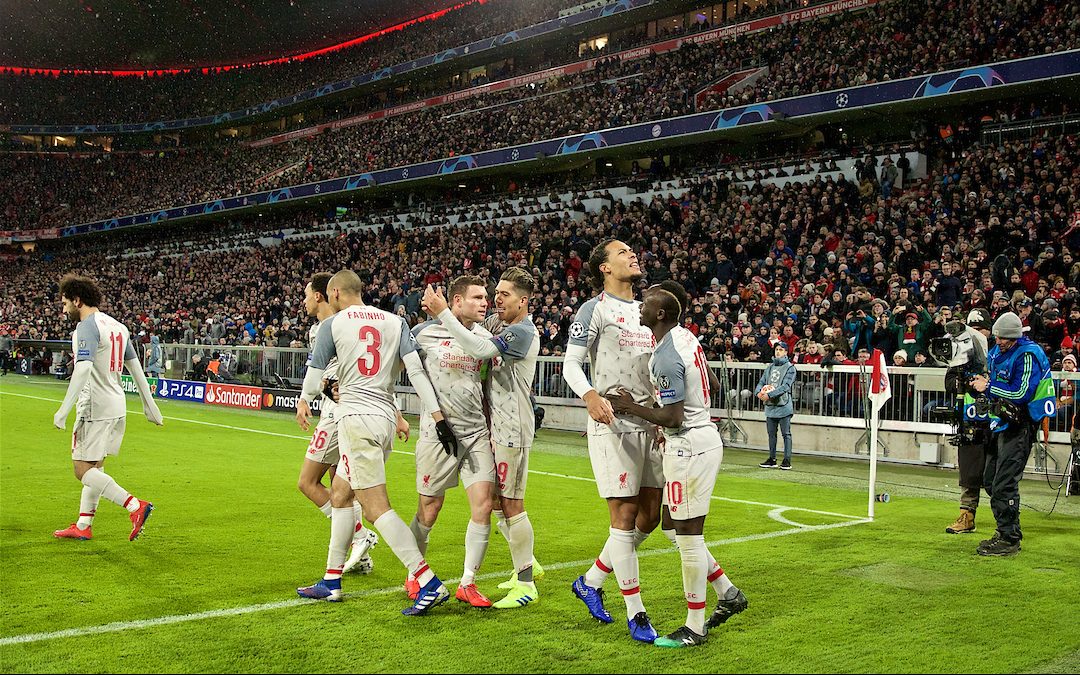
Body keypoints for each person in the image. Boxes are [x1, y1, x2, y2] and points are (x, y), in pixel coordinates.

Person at [294, 270, 456, 614]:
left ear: (335, 292)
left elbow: (311, 381)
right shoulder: (394, 322)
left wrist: (313, 393)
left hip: (356, 419)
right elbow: (416, 373)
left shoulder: (333, 325)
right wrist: (436, 415)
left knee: (374, 507)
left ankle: (428, 580)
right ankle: (331, 581)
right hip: (383, 417)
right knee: (340, 493)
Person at [608, 287, 746, 648]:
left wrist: (630, 406)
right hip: (699, 439)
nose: (640, 306)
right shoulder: (686, 338)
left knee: (688, 537)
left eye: (647, 304)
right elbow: (711, 384)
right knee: (672, 527)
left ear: (660, 315)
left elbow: (672, 416)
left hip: (688, 448)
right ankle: (727, 591)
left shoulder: (665, 354)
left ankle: (695, 627)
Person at [422, 267, 543, 609]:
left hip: (513, 429)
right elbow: (469, 328)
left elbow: (477, 348)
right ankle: (526, 561)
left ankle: (526, 581)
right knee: (495, 502)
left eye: (504, 294)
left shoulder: (522, 333)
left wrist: (443, 311)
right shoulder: (498, 323)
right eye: (494, 293)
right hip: (494, 426)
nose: (495, 300)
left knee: (512, 504)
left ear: (523, 301)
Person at [563, 238, 663, 643]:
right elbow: (570, 361)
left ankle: (590, 580)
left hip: (649, 423)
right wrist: (590, 395)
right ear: (603, 268)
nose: (632, 255)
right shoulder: (594, 309)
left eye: (632, 251)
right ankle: (636, 613)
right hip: (613, 424)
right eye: (622, 253)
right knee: (623, 518)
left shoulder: (646, 312)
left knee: (650, 516)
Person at [51, 274, 162, 542]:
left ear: (78, 300)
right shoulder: (118, 327)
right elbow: (135, 369)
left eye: (66, 303)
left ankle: (135, 506)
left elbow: (83, 368)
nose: (64, 309)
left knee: (82, 470)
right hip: (117, 405)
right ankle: (83, 524)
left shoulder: (86, 328)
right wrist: (150, 406)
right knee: (95, 467)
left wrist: (63, 410)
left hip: (95, 407)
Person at [410, 274, 497, 608]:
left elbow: (487, 384)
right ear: (456, 301)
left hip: (476, 432)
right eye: (477, 297)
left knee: (484, 505)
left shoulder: (484, 338)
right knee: (429, 510)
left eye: (485, 298)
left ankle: (468, 583)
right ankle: (415, 574)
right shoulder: (424, 334)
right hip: (437, 435)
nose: (484, 303)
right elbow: (410, 372)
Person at [295, 273, 382, 576]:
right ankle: (361, 556)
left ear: (321, 296)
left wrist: (304, 398)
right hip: (333, 408)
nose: (304, 300)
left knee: (307, 482)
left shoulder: (338, 325)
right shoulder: (317, 330)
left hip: (339, 411)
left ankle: (360, 535)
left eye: (306, 294)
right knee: (340, 487)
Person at [969, 312, 1056, 556]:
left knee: (1005, 483)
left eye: (1003, 338)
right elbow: (995, 378)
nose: (998, 342)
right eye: (997, 337)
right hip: (1002, 421)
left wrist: (989, 386)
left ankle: (1009, 538)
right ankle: (1006, 529)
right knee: (990, 480)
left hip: (1021, 424)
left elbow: (1022, 394)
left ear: (1016, 337)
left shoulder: (1029, 354)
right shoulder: (998, 351)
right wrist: (984, 381)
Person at [945, 309, 992, 535]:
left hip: (997, 420)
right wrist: (965, 383)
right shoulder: (960, 355)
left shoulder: (999, 353)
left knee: (997, 474)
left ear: (989, 331)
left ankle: (1006, 518)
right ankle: (967, 515)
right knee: (969, 472)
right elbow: (949, 382)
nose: (975, 336)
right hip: (970, 419)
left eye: (980, 330)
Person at [756, 342, 797, 470]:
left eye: (781, 350)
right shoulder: (769, 367)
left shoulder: (790, 368)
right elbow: (762, 381)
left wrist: (770, 395)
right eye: (776, 349)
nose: (778, 352)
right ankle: (772, 459)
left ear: (786, 352)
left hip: (783, 405)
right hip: (770, 406)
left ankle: (787, 460)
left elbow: (786, 386)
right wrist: (759, 392)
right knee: (771, 434)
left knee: (786, 433)